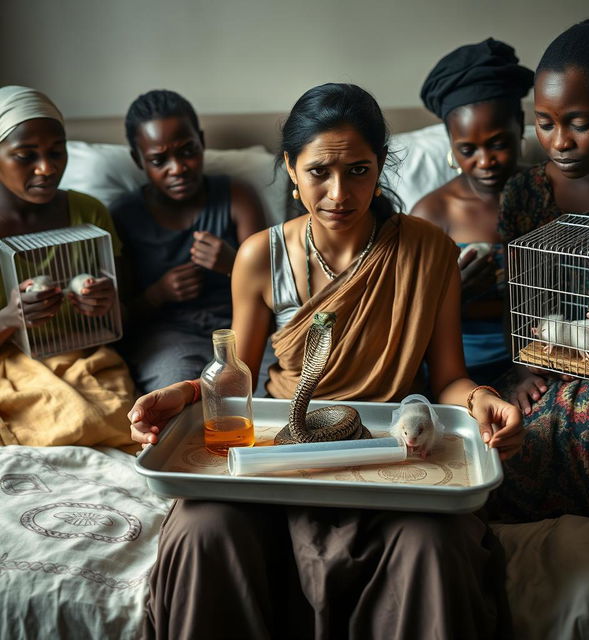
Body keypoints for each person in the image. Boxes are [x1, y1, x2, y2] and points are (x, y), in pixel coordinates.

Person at [129, 83, 523, 640]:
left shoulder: (429, 250)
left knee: (434, 545)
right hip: (284, 452)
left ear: (380, 165)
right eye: (319, 172)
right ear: (290, 168)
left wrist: (483, 400)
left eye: (359, 171)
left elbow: (450, 378)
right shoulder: (258, 257)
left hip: (387, 451)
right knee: (202, 529)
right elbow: (234, 375)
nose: (339, 193)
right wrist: (186, 395)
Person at [491, 17, 589, 521]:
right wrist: (518, 376)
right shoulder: (525, 193)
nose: (558, 142)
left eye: (578, 122)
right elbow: (518, 313)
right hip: (552, 376)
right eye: (545, 122)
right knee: (501, 441)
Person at [0, 85, 136, 453]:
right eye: (25, 156)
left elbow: (124, 315)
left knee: (119, 419)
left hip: (86, 357)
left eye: (56, 152)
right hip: (11, 365)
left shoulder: (88, 213)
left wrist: (106, 307)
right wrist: (11, 319)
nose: (46, 168)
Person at [110, 89, 265, 393]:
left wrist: (235, 265)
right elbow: (119, 316)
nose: (178, 168)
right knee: (176, 397)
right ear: (138, 160)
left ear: (202, 142)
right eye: (159, 160)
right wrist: (158, 294)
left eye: (187, 151)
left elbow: (276, 287)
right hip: (169, 337)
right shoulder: (124, 215)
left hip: (241, 330)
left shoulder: (237, 197)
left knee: (268, 396)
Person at [412, 39, 534, 385]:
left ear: (520, 125)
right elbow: (406, 316)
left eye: (498, 143)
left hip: (541, 356)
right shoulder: (433, 213)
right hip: (458, 368)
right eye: (467, 149)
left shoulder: (543, 194)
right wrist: (452, 296)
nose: (485, 161)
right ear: (450, 143)